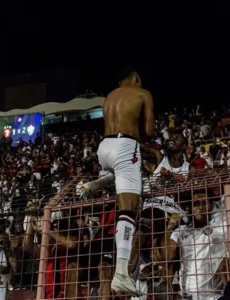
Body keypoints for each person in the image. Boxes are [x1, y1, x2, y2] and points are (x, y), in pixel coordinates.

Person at [94, 68, 155, 294]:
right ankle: (121, 273)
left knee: (122, 183)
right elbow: (149, 130)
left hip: (105, 147)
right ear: (136, 77)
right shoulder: (142, 93)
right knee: (128, 211)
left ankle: (97, 183)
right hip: (125, 145)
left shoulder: (110, 96)